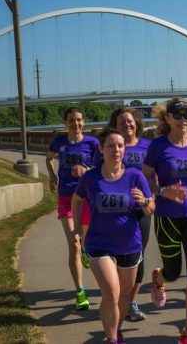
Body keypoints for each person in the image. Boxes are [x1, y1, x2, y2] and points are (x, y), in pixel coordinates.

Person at [142, 98, 187, 344]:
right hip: (167, 217)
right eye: (178, 114)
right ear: (168, 118)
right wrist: (162, 191)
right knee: (173, 273)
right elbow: (146, 178)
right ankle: (160, 278)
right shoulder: (158, 147)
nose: (184, 118)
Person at [72, 128, 154, 344]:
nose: (116, 150)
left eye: (120, 145)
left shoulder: (135, 176)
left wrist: (144, 202)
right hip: (99, 242)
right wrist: (78, 227)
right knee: (111, 291)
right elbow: (77, 199)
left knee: (125, 296)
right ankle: (111, 339)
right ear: (101, 149)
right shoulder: (91, 177)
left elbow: (150, 206)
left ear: (124, 150)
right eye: (110, 145)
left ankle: (116, 330)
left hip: (129, 243)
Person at [92, 107, 151, 322]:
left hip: (141, 209)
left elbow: (159, 172)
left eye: (130, 121)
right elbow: (95, 176)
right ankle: (114, 296)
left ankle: (130, 300)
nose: (127, 125)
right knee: (112, 254)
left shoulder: (148, 147)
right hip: (112, 210)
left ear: (136, 123)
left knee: (138, 255)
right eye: (122, 122)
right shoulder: (109, 147)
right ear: (114, 127)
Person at [45, 106, 99, 310]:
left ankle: (86, 249)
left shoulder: (92, 143)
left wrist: (87, 169)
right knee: (73, 244)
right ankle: (80, 292)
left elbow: (101, 165)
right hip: (66, 198)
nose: (75, 124)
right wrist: (52, 176)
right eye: (71, 120)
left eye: (79, 120)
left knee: (86, 242)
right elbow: (48, 158)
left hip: (86, 198)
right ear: (65, 123)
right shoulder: (59, 141)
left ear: (83, 122)